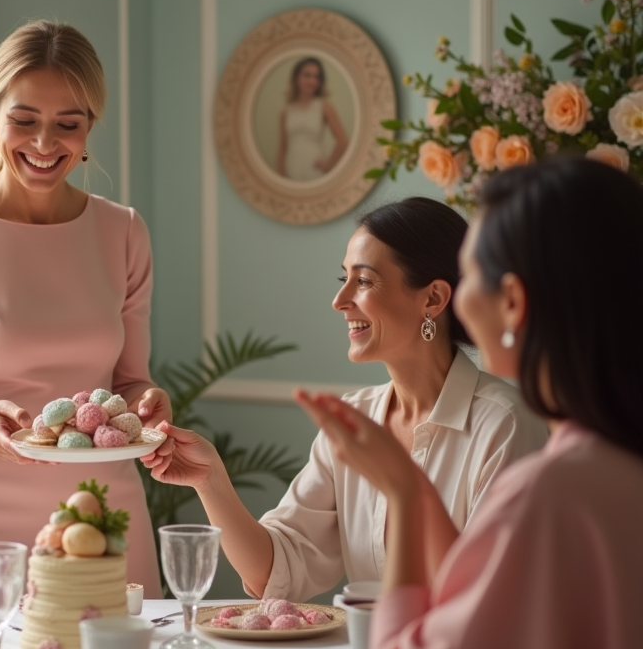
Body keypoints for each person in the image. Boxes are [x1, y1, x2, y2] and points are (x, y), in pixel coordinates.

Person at [295, 158, 643, 649]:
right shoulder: (617, 466)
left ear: (512, 302)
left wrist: (405, 499)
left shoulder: (546, 491)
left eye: (470, 271)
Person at [142, 196, 548, 601]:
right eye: (344, 279)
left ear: (433, 299)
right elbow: (278, 571)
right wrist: (210, 479)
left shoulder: (504, 425)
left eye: (365, 281)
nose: (339, 301)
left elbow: (486, 598)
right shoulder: (354, 421)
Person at [0, 20, 168, 602]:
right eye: (25, 120)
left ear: (88, 128)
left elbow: (131, 382)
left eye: (67, 125)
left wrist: (150, 402)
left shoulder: (123, 232)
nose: (45, 144)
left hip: (107, 509)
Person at [276, 56, 349, 181]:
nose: (312, 81)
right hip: (290, 171)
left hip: (315, 171)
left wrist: (329, 165)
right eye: (307, 75)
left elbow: (343, 141)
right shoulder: (286, 111)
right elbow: (282, 147)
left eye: (317, 77)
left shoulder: (324, 107)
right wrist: (278, 178)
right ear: (296, 77)